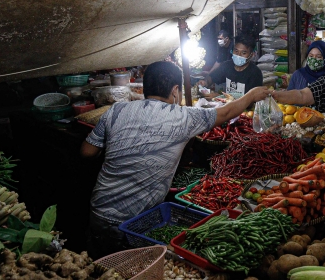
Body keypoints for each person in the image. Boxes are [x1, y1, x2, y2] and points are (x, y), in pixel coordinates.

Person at [80, 61, 270, 258]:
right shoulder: (182, 116)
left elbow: (87, 151)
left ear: (145, 88)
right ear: (175, 90)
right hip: (132, 221)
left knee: (96, 264)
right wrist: (251, 95)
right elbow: (227, 112)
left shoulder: (115, 110)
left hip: (98, 211)